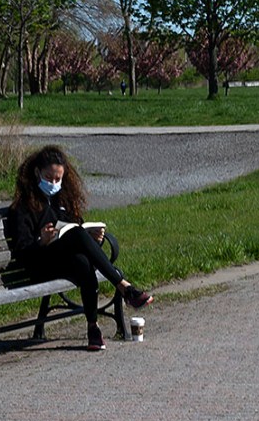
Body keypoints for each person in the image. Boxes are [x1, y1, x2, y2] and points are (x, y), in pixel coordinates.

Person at [8, 145, 153, 351]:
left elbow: (80, 238)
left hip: (64, 262)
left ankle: (93, 328)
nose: (53, 184)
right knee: (76, 233)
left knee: (83, 261)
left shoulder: (62, 200)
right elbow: (22, 252)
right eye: (49, 178)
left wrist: (95, 239)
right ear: (37, 172)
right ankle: (124, 287)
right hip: (39, 263)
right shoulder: (23, 207)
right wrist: (41, 241)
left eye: (58, 179)